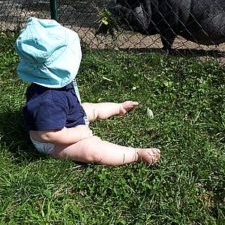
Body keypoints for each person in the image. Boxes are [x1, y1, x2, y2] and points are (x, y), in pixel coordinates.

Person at [16, 17, 160, 166]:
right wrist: (79, 132)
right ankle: (135, 154)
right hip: (54, 140)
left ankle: (119, 107)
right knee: (92, 150)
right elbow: (47, 135)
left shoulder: (53, 81)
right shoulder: (48, 100)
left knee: (91, 108)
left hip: (66, 117)